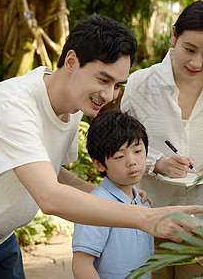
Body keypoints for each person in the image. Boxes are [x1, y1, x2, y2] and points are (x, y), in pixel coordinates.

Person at [0, 15, 203, 278]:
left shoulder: (73, 105)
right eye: (103, 79)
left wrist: (121, 199)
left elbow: (56, 174)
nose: (108, 95)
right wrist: (146, 219)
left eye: (117, 85)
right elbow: (50, 197)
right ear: (72, 61)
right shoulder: (13, 107)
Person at [120, 1, 203, 278]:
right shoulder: (140, 83)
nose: (196, 62)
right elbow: (120, 146)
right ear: (174, 35)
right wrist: (157, 163)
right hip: (147, 216)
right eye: (189, 49)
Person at [72, 109, 154, 279]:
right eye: (119, 156)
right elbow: (81, 265)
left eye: (137, 151)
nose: (132, 162)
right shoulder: (95, 207)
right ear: (99, 164)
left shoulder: (143, 202)